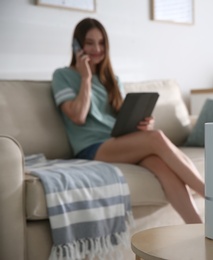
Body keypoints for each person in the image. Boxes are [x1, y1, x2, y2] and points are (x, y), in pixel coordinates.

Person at [52, 17, 204, 224]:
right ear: (77, 45)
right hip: (91, 148)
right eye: (89, 43)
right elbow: (78, 116)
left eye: (101, 42)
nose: (97, 48)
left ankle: (197, 228)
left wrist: (143, 126)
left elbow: (122, 119)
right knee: (156, 137)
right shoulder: (62, 76)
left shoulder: (112, 80)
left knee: (160, 164)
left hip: (118, 142)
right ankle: (212, 196)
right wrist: (86, 78)